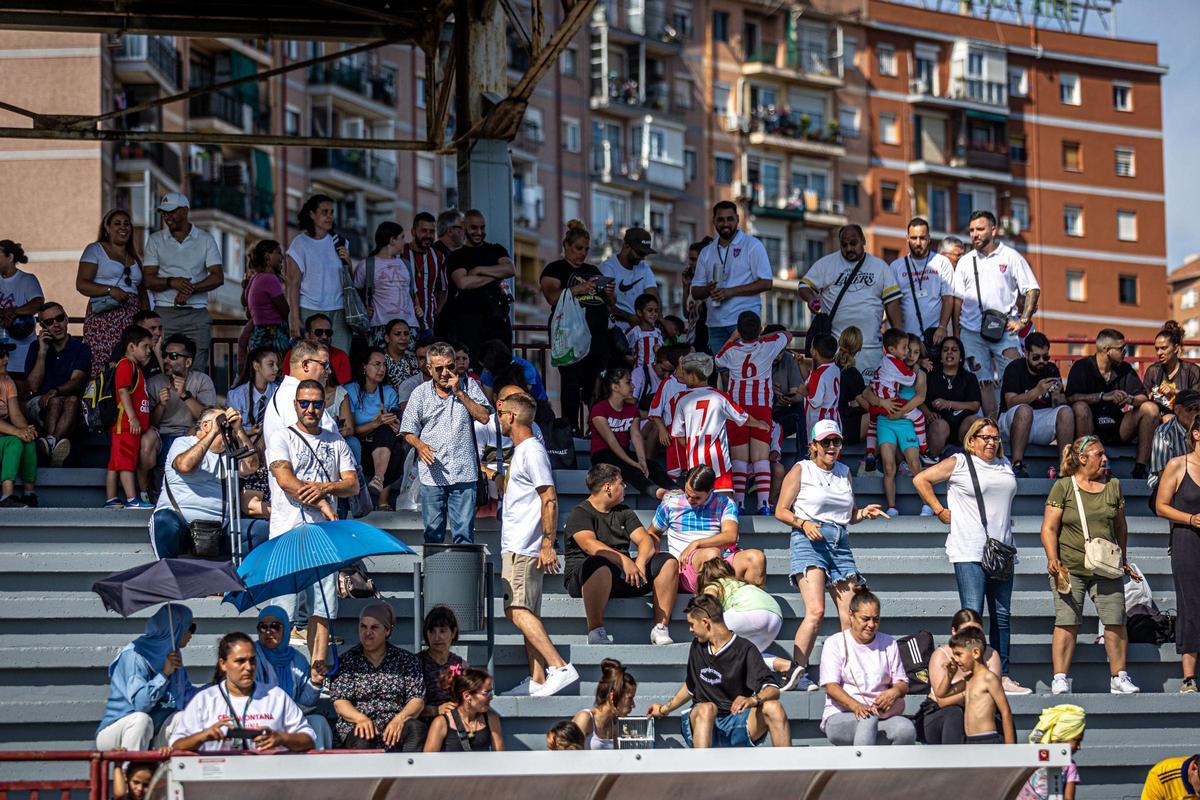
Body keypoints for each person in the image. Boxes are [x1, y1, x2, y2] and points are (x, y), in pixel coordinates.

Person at [912, 417, 1028, 692]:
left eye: (995, 437)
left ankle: (1002, 674)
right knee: (973, 615)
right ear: (972, 440)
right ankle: (972, 674)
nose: (991, 442)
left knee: (1002, 616)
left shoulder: (1004, 464)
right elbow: (921, 479)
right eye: (985, 437)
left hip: (1001, 550)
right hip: (969, 548)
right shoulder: (961, 462)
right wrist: (939, 510)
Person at [775, 420, 889, 691]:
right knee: (815, 611)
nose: (831, 447)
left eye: (835, 442)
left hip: (840, 542)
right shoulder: (801, 469)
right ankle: (797, 672)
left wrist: (862, 514)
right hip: (809, 539)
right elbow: (781, 510)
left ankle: (848, 673)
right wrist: (803, 524)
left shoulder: (844, 472)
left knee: (850, 614)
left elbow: (848, 516)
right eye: (825, 442)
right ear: (813, 445)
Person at [266, 379, 358, 673]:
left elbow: (352, 484)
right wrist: (321, 500)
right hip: (287, 532)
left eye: (317, 403)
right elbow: (285, 479)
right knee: (283, 607)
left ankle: (318, 670)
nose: (310, 409)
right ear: (295, 405)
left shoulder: (336, 441)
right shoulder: (282, 436)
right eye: (304, 403)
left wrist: (325, 488)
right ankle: (275, 668)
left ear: (324, 406)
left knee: (323, 604)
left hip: (324, 535)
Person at [1041, 435, 1142, 695]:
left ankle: (1119, 676)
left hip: (1106, 566)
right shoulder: (1063, 487)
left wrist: (1125, 558)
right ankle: (1060, 677)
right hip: (1070, 566)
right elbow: (1049, 527)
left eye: (1104, 453)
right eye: (1099, 454)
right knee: (1067, 621)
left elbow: (1120, 526)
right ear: (1082, 459)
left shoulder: (1114, 486)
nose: (1105, 459)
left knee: (1115, 620)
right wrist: (1053, 557)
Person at [496, 392, 579, 698]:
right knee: (526, 611)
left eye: (502, 413)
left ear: (512, 418)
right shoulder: (524, 451)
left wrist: (547, 543)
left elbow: (550, 498)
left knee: (517, 611)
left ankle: (558, 666)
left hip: (524, 546)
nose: (500, 419)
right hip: (519, 544)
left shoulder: (531, 450)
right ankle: (538, 679)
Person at [646, 594, 789, 749]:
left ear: (706, 623)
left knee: (774, 707)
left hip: (736, 721)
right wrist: (663, 709)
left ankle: (787, 771)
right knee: (707, 708)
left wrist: (753, 700)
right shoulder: (697, 646)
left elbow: (773, 690)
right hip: (703, 721)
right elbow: (691, 686)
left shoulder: (745, 649)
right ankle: (702, 770)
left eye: (692, 624)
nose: (690, 629)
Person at [563, 463, 680, 645]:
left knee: (667, 561)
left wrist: (639, 563)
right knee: (598, 563)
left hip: (624, 576)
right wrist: (624, 560)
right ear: (608, 487)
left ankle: (660, 628)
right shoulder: (580, 513)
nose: (625, 487)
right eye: (621, 484)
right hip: (588, 577)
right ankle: (596, 631)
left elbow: (646, 540)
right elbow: (590, 545)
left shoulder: (623, 511)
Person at [400, 341, 492, 544]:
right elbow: (407, 430)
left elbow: (484, 416)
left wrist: (459, 392)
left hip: (464, 472)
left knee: (464, 536)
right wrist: (420, 445)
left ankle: (462, 576)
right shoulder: (420, 393)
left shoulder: (469, 386)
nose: (445, 373)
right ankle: (434, 575)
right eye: (439, 368)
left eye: (450, 367)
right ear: (429, 368)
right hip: (433, 473)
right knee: (433, 534)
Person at [950, 210, 1040, 419]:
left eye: (980, 229)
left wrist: (1023, 321)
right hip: (972, 333)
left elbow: (1032, 289)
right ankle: (989, 426)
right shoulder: (965, 261)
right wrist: (956, 333)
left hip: (1004, 331)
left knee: (1014, 374)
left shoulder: (1010, 256)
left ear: (993, 229)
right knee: (982, 382)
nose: (975, 234)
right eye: (971, 230)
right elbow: (956, 301)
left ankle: (1009, 424)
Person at [170, 632, 315, 753]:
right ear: (223, 664)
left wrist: (281, 738)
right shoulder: (205, 699)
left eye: (252, 660)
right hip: (217, 776)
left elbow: (309, 739)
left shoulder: (276, 696)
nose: (249, 667)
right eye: (240, 661)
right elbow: (176, 745)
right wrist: (203, 736)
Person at [150, 406, 261, 559]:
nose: (227, 429)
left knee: (262, 530)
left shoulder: (231, 453)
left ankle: (240, 576)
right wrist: (214, 432)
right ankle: (168, 571)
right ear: (205, 426)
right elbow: (185, 466)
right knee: (164, 521)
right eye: (223, 424)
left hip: (221, 530)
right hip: (181, 525)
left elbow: (252, 466)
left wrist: (239, 430)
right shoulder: (183, 443)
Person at [799, 224, 902, 376]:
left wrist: (898, 337)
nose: (848, 248)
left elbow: (892, 303)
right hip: (836, 349)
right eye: (844, 244)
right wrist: (811, 299)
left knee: (868, 393)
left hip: (869, 348)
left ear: (863, 241)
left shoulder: (880, 267)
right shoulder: (826, 264)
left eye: (853, 243)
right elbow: (804, 286)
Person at [539, 220, 613, 432]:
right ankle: (571, 428)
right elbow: (552, 297)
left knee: (596, 385)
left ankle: (596, 427)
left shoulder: (593, 269)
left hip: (597, 337)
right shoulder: (555, 269)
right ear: (567, 245)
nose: (582, 254)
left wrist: (608, 293)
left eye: (586, 249)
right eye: (578, 248)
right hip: (570, 337)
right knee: (571, 384)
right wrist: (580, 288)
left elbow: (611, 305)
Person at [648, 464, 766, 594]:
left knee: (757, 558)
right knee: (711, 554)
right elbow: (653, 533)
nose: (690, 500)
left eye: (697, 497)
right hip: (686, 569)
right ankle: (709, 610)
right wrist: (658, 561)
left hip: (719, 562)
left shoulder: (725, 503)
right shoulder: (671, 503)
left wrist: (697, 543)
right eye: (687, 494)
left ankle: (752, 609)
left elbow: (730, 536)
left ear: (711, 490)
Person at [819, 587, 915, 746]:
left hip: (881, 716)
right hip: (843, 714)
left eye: (876, 619)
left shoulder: (889, 643)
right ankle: (861, 770)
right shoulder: (834, 643)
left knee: (906, 729)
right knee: (867, 720)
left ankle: (891, 771)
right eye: (865, 618)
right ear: (851, 615)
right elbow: (831, 687)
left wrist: (894, 692)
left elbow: (903, 684)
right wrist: (857, 706)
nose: (871, 624)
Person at [715, 311, 790, 511]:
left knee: (739, 459)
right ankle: (763, 504)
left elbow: (717, 360)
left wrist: (733, 337)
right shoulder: (769, 345)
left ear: (739, 330)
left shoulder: (731, 350)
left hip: (737, 408)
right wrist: (761, 336)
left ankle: (739, 504)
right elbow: (787, 335)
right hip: (761, 406)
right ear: (759, 330)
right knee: (760, 458)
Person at [142, 192, 224, 372]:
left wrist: (190, 289)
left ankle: (192, 400)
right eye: (164, 212)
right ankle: (163, 400)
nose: (167, 216)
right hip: (164, 312)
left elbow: (218, 276)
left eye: (171, 211)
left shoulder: (205, 239)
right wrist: (172, 282)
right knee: (160, 366)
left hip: (196, 313)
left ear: (185, 211)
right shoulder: (155, 240)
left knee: (196, 368)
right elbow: (147, 280)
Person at [96, 604, 196, 750]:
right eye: (190, 627)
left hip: (155, 729)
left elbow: (187, 695)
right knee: (142, 721)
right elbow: (140, 705)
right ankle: (132, 772)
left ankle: (167, 772)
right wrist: (164, 674)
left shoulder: (173, 655)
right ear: (175, 628)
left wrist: (218, 687)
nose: (191, 633)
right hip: (120, 729)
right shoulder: (135, 655)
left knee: (183, 718)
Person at [329, 603, 426, 752]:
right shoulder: (347, 661)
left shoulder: (406, 660)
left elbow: (417, 700)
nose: (367, 632)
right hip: (359, 724)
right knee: (363, 735)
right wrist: (361, 718)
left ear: (387, 631)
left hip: (395, 723)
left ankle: (407, 774)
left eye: (374, 627)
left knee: (415, 729)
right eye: (363, 627)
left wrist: (400, 719)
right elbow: (340, 702)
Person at [1066, 328, 1160, 479]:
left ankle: (1140, 467)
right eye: (1121, 348)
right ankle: (1086, 467)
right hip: (1091, 429)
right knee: (1080, 407)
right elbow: (1070, 398)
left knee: (1151, 409)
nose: (1125, 352)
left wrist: (1130, 399)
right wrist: (1103, 396)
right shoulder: (1082, 367)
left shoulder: (1125, 368)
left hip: (1120, 426)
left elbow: (1142, 397)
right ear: (1107, 350)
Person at [671, 352, 769, 493]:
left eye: (685, 374)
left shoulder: (681, 400)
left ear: (692, 375)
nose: (683, 377)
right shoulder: (720, 397)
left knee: (697, 500)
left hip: (695, 461)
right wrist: (760, 424)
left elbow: (678, 435)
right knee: (725, 503)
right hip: (719, 462)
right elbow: (742, 417)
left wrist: (691, 446)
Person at [1151, 420, 1200, 694]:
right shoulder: (1178, 465)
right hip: (1187, 539)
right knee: (1191, 601)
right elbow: (1161, 506)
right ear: (1196, 433)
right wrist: (1191, 519)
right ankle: (1189, 677)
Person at [436, 209, 515, 367]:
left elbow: (510, 270)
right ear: (464, 227)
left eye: (482, 228)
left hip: (497, 321)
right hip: (469, 323)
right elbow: (463, 283)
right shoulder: (457, 256)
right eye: (474, 228)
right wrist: (495, 273)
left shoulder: (496, 249)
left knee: (502, 367)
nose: (479, 232)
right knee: (473, 368)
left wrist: (479, 270)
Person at [690, 202, 773, 349]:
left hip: (743, 323)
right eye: (721, 220)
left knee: (743, 370)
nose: (725, 223)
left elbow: (767, 283)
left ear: (738, 218)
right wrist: (708, 289)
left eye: (730, 219)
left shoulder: (752, 245)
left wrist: (731, 291)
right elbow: (695, 291)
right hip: (715, 324)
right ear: (714, 220)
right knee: (722, 371)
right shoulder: (707, 252)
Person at [918, 608, 1003, 745]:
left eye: (977, 632)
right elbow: (941, 701)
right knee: (954, 714)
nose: (972, 638)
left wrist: (964, 694)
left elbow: (992, 696)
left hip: (978, 712)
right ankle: (954, 763)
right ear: (954, 632)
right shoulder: (941, 656)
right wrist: (973, 692)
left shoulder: (991, 655)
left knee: (995, 718)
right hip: (940, 714)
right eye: (966, 632)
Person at [253, 605, 332, 749]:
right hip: (259, 718)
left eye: (275, 626)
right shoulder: (252, 656)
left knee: (318, 722)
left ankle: (317, 768)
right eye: (263, 627)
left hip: (291, 718)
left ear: (286, 629)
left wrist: (314, 682)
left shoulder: (297, 659)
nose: (269, 631)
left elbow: (305, 704)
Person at [76, 213, 142, 381]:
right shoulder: (95, 249)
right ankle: (99, 405)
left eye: (127, 224)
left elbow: (142, 291)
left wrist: (146, 320)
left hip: (130, 318)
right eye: (117, 223)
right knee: (102, 366)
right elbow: (82, 284)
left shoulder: (133, 256)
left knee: (128, 364)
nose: (123, 227)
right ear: (107, 227)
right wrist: (110, 290)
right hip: (104, 319)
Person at [589, 367, 672, 500]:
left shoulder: (632, 408)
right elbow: (611, 441)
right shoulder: (599, 409)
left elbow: (636, 435)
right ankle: (658, 493)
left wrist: (642, 461)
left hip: (623, 452)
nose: (633, 386)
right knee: (627, 468)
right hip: (603, 455)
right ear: (615, 387)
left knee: (653, 466)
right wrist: (634, 463)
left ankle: (676, 491)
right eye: (628, 382)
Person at [25, 301, 90, 467]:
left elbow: (77, 381)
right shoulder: (35, 347)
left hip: (69, 403)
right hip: (39, 403)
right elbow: (33, 386)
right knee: (57, 401)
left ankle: (50, 443)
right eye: (49, 322)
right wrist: (42, 352)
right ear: (43, 326)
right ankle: (55, 445)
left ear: (67, 319)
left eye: (59, 318)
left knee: (70, 400)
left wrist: (55, 390)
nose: (56, 324)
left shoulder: (81, 348)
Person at [697, 557, 790, 673]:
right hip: (775, 618)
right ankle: (787, 667)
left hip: (747, 612)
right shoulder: (742, 583)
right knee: (744, 656)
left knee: (710, 630)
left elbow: (708, 599)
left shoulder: (715, 583)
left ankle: (707, 675)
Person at [999, 332, 1073, 477]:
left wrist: (1058, 396)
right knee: (1025, 410)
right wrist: (1037, 391)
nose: (1041, 361)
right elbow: (1010, 402)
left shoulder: (1051, 369)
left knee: (1066, 412)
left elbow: (1057, 405)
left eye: (1045, 357)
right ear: (1026, 353)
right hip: (1013, 419)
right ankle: (1017, 464)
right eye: (1036, 357)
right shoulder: (1014, 368)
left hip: (1041, 420)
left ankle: (1065, 467)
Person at [285, 194, 351, 351]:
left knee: (340, 357)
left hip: (338, 310)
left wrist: (348, 261)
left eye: (331, 212)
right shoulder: (300, 243)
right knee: (309, 359)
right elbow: (294, 284)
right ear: (312, 214)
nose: (329, 216)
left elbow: (350, 281)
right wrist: (295, 319)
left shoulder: (340, 241)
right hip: (308, 309)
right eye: (324, 212)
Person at [105, 325, 155, 509]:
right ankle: (132, 500)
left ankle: (111, 499)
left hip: (129, 426)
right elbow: (123, 391)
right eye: (146, 347)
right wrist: (133, 417)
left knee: (115, 463)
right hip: (125, 425)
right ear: (132, 346)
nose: (149, 351)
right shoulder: (126, 364)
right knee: (126, 463)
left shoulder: (135, 367)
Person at [345, 347, 402, 509]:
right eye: (376, 364)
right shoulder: (350, 390)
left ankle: (380, 485)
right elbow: (351, 429)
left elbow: (394, 423)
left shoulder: (388, 392)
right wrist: (376, 422)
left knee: (389, 433)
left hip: (383, 445)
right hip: (360, 446)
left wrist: (396, 424)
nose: (382, 369)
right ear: (364, 367)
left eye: (384, 365)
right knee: (377, 431)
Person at [147, 334, 217, 463]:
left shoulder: (202, 380)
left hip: (190, 436)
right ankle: (145, 484)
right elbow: (151, 423)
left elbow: (209, 417)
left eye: (173, 356)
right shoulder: (153, 382)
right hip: (161, 437)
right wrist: (161, 405)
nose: (166, 360)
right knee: (146, 439)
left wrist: (185, 395)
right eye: (164, 355)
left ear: (188, 362)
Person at [890, 217, 955, 348]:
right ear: (907, 238)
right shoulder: (896, 267)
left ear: (929, 239)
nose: (918, 243)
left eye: (922, 238)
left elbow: (948, 298)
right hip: (908, 339)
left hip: (935, 337)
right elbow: (893, 303)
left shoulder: (942, 262)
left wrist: (942, 327)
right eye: (913, 238)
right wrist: (899, 334)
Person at [262, 341, 338, 446]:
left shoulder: (290, 392)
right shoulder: (292, 396)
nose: (329, 371)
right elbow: (308, 444)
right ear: (305, 365)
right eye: (325, 364)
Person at [949, 628, 1015, 744]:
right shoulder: (968, 680)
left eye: (959, 654)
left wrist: (1010, 746)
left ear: (976, 653)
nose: (955, 659)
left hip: (988, 739)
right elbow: (942, 693)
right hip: (970, 740)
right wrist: (950, 675)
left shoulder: (989, 678)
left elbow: (1005, 711)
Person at [355, 221, 417, 339]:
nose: (404, 242)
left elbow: (412, 292)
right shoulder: (367, 265)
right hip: (380, 326)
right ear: (392, 240)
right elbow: (355, 293)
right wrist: (363, 309)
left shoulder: (406, 264)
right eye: (402, 238)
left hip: (409, 325)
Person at [423, 667, 505, 752]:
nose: (491, 697)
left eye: (490, 692)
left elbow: (499, 757)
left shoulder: (491, 719)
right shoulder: (441, 723)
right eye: (486, 693)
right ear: (467, 696)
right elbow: (429, 761)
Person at [924, 336, 982, 456]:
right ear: (940, 357)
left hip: (962, 424)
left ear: (961, 357)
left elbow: (975, 405)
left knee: (975, 421)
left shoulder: (969, 377)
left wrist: (948, 404)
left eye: (954, 350)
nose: (949, 352)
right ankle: (933, 463)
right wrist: (928, 413)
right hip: (938, 423)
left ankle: (970, 463)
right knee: (940, 425)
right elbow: (919, 400)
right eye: (945, 350)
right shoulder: (930, 376)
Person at [1019, 705, 1086, 800]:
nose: (1079, 747)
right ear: (1062, 738)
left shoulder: (1069, 765)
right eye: (1077, 740)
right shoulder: (1032, 756)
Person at [0, 335, 37, 506]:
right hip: (5, 437)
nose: (6, 359)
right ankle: (7, 495)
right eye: (1, 356)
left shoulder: (7, 381)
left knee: (28, 440)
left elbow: (15, 414)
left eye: (6, 354)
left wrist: (26, 431)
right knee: (15, 442)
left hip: (3, 435)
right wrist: (17, 432)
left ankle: (29, 493)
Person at [571, 659, 637, 750]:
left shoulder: (613, 723)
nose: (633, 705)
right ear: (613, 696)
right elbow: (568, 759)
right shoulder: (585, 719)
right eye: (630, 698)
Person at [598, 227, 658, 326]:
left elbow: (653, 297)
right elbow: (605, 304)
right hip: (614, 331)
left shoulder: (645, 268)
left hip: (640, 332)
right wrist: (628, 317)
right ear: (626, 246)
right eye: (640, 253)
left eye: (645, 254)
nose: (643, 257)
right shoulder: (608, 268)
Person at [417, 605, 466, 726]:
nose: (437, 637)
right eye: (432, 631)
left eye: (443, 631)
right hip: (423, 724)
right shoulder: (416, 662)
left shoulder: (460, 664)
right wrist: (436, 710)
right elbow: (406, 705)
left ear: (453, 632)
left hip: (454, 721)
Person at [244, 239, 292, 354]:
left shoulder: (256, 277)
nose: (282, 257)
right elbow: (285, 311)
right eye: (278, 253)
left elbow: (248, 312)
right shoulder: (270, 279)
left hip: (258, 336)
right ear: (267, 256)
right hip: (274, 337)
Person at [1143, 320, 1200, 416]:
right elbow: (1143, 396)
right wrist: (1149, 397)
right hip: (1157, 418)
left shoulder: (1192, 371)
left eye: (1164, 348)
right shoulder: (1153, 371)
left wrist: (1175, 392)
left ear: (1176, 348)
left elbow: (1197, 399)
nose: (1159, 353)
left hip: (1185, 418)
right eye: (1157, 349)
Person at [1150, 390, 1200, 497]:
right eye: (1190, 409)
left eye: (1198, 409)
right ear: (1177, 410)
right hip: (1166, 488)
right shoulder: (1164, 433)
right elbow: (1164, 475)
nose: (1196, 413)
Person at [406, 211, 448, 334]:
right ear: (413, 232)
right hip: (402, 325)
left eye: (432, 232)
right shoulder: (400, 253)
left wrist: (437, 310)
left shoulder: (438, 256)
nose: (428, 235)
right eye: (424, 231)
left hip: (428, 325)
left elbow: (443, 288)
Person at [284, 314, 352, 385]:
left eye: (328, 332)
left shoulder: (341, 356)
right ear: (307, 335)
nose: (324, 336)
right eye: (319, 332)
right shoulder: (293, 354)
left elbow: (343, 387)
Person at [624, 293, 664, 405]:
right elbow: (624, 348)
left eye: (656, 311)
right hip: (639, 371)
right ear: (639, 312)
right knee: (636, 397)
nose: (654, 314)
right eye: (650, 310)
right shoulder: (634, 331)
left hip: (655, 372)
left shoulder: (658, 332)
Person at [836, 327, 868, 445]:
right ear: (859, 348)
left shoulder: (830, 365)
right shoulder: (852, 373)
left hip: (827, 422)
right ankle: (869, 458)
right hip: (842, 428)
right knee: (878, 417)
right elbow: (867, 406)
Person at [804, 332, 841, 434]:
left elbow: (815, 402)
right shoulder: (836, 368)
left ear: (814, 352)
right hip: (834, 419)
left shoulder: (818, 374)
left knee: (817, 450)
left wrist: (804, 392)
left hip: (818, 423)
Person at [681, 238, 712, 354]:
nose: (690, 263)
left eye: (694, 259)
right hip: (693, 339)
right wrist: (685, 287)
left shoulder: (710, 283)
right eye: (690, 259)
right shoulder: (693, 283)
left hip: (706, 339)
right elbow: (686, 314)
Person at [382, 318, 418, 394]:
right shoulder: (380, 359)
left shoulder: (414, 358)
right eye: (397, 334)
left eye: (406, 334)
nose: (403, 338)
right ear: (387, 338)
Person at [132, 308, 165, 379]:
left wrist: (158, 353)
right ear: (139, 330)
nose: (158, 333)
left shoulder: (164, 349)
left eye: (160, 328)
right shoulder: (125, 347)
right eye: (153, 328)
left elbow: (169, 382)